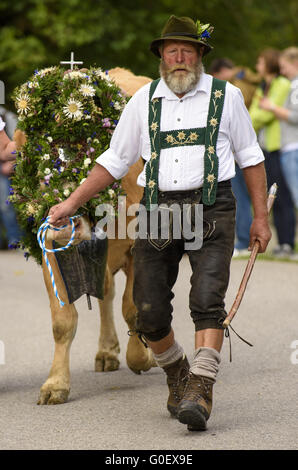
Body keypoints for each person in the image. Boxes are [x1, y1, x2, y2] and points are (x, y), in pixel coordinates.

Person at [48, 15, 271, 431]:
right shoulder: (143, 100)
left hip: (211, 209)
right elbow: (113, 162)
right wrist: (72, 201)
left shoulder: (227, 96)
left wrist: (260, 217)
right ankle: (177, 373)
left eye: (187, 50)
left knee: (207, 301)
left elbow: (251, 158)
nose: (180, 58)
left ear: (200, 55)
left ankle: (201, 389)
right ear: (161, 58)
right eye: (172, 51)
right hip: (157, 210)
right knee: (147, 314)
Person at [209, 58, 261, 256]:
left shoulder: (231, 89)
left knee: (239, 197)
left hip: (235, 149)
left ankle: (242, 241)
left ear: (219, 72)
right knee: (241, 197)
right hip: (241, 147)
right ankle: (242, 240)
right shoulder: (247, 81)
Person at [249, 48, 296, 258]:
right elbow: (254, 113)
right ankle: (282, 243)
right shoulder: (263, 86)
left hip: (279, 146)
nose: (257, 67)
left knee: (282, 195)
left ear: (268, 64)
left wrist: (263, 111)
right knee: (272, 195)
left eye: (260, 62)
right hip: (265, 146)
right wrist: (259, 113)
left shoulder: (282, 84)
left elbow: (267, 113)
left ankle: (287, 242)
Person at [259, 47, 298, 212]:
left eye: (284, 66)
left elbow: (296, 116)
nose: (281, 71)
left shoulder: (296, 86)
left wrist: (271, 107)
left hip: (293, 148)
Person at [0, 111, 22, 249]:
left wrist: (13, 161)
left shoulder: (7, 116)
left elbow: (5, 148)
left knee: (6, 205)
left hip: (2, 166)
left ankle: (15, 240)